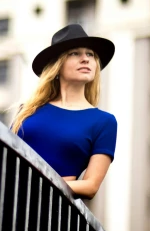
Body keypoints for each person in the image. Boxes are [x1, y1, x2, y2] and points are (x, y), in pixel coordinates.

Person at [10, 24, 117, 199]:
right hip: (6, 198)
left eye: (90, 54)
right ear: (57, 65)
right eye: (75, 53)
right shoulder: (28, 110)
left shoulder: (103, 122)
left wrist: (37, 182)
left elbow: (90, 186)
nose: (85, 59)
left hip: (49, 206)